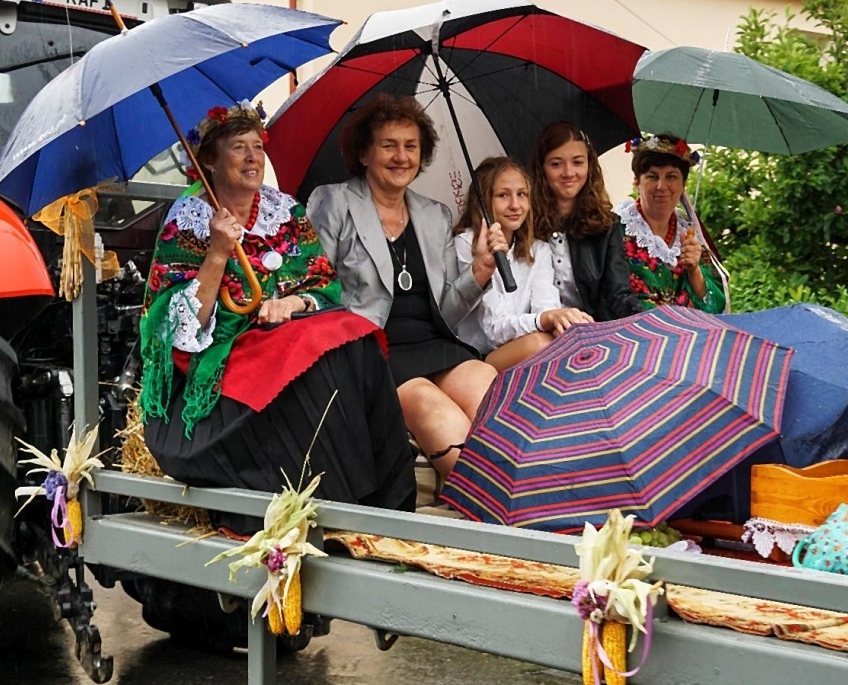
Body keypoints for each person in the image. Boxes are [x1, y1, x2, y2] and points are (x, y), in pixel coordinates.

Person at [138, 100, 415, 514]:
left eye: (257, 146)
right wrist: (216, 254)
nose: (253, 158)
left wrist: (292, 302)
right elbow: (179, 332)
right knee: (311, 359)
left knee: (353, 335)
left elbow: (323, 285)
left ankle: (383, 498)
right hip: (223, 353)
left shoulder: (284, 211)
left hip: (287, 332)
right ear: (209, 160)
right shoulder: (188, 219)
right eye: (238, 147)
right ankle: (325, 501)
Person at [308, 95, 505, 482]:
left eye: (411, 146)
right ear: (364, 154)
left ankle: (530, 499)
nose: (401, 156)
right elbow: (318, 288)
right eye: (389, 145)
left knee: (491, 394)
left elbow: (446, 311)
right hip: (375, 352)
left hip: (434, 344)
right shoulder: (332, 202)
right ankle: (486, 504)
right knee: (436, 411)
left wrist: (480, 270)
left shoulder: (435, 215)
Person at [451, 156, 590, 368]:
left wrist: (557, 319)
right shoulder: (466, 244)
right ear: (482, 201)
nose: (515, 205)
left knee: (571, 337)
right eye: (503, 195)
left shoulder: (538, 249)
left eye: (522, 195)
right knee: (540, 343)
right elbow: (494, 330)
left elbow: (547, 306)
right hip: (482, 358)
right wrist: (544, 320)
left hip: (531, 344)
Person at [528, 122, 645, 322]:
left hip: (587, 331)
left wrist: (649, 320)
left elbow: (618, 294)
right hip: (533, 333)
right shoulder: (524, 222)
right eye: (556, 164)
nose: (568, 172)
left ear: (590, 165)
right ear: (542, 169)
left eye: (578, 162)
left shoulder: (606, 225)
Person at [616, 133, 726, 312]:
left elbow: (715, 306)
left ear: (683, 184)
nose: (661, 186)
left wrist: (694, 270)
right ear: (637, 181)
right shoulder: (617, 230)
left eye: (671, 177)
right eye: (652, 176)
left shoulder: (691, 236)